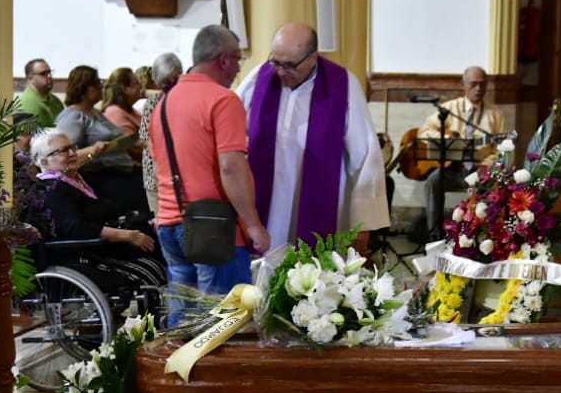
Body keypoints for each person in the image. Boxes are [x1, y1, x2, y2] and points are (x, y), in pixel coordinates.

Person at [145, 24, 268, 324]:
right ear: (223, 60)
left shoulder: (163, 104)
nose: (239, 68)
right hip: (214, 230)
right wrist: (253, 226)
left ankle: (177, 373)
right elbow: (231, 167)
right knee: (220, 326)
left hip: (169, 224)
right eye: (238, 59)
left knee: (182, 321)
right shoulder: (223, 100)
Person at [236, 23, 389, 253]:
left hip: (315, 208)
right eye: (275, 61)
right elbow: (230, 128)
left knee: (308, 273)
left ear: (312, 58)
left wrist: (364, 221)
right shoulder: (260, 78)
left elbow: (365, 154)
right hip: (263, 208)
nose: (279, 71)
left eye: (289, 65)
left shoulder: (342, 84)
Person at [27, 128, 165, 299]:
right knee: (149, 270)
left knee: (161, 249)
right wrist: (126, 235)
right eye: (63, 151)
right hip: (81, 256)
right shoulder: (51, 190)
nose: (72, 153)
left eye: (72, 147)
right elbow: (75, 227)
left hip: (103, 249)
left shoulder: (77, 179)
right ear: (45, 162)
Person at [417, 66, 506, 238]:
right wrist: (450, 141)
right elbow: (423, 132)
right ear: (463, 85)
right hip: (452, 168)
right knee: (432, 182)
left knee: (490, 185)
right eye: (474, 84)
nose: (479, 89)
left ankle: (480, 238)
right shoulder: (449, 109)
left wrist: (486, 169)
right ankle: (434, 236)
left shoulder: (495, 114)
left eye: (482, 84)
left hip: (480, 168)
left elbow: (500, 150)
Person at [56, 65, 146, 213]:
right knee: (146, 196)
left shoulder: (96, 112)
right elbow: (65, 155)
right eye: (97, 83)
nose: (101, 87)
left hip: (122, 171)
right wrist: (94, 151)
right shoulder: (73, 116)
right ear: (83, 88)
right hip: (101, 177)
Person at [138, 52, 182, 212]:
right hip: (157, 175)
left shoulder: (185, 101)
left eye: (174, 80)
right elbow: (148, 139)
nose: (170, 85)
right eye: (166, 81)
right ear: (157, 82)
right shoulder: (152, 103)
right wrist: (163, 168)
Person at [14, 59, 63, 126]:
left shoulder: (56, 101)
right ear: (30, 79)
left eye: (49, 72)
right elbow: (26, 136)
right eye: (43, 74)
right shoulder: (26, 104)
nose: (49, 76)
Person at [102, 66, 144, 136]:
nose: (141, 86)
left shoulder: (130, 110)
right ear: (124, 89)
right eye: (136, 83)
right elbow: (132, 144)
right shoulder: (114, 113)